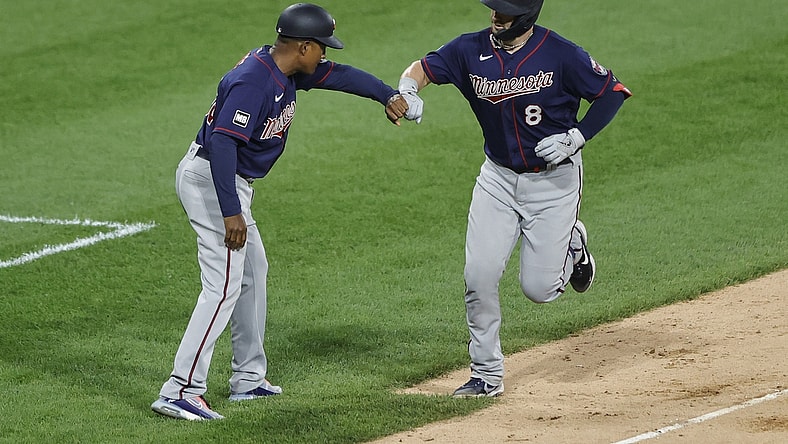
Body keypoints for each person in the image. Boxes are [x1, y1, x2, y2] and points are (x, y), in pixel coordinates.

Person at [151, 3, 408, 420]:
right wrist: (231, 212)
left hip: (228, 181)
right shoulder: (254, 81)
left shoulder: (285, 67)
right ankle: (180, 389)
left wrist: (386, 94)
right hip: (214, 180)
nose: (325, 55)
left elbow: (341, 76)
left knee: (253, 271)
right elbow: (221, 144)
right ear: (303, 47)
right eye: (322, 48)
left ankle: (248, 380)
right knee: (223, 285)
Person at [395, 0, 631, 397]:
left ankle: (573, 245)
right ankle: (486, 374)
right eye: (493, 8)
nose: (494, 15)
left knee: (539, 290)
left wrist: (578, 137)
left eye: (503, 10)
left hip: (554, 184)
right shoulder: (469, 50)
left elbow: (612, 93)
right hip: (497, 180)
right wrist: (407, 90)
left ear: (525, 15)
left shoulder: (561, 54)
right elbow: (421, 69)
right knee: (479, 276)